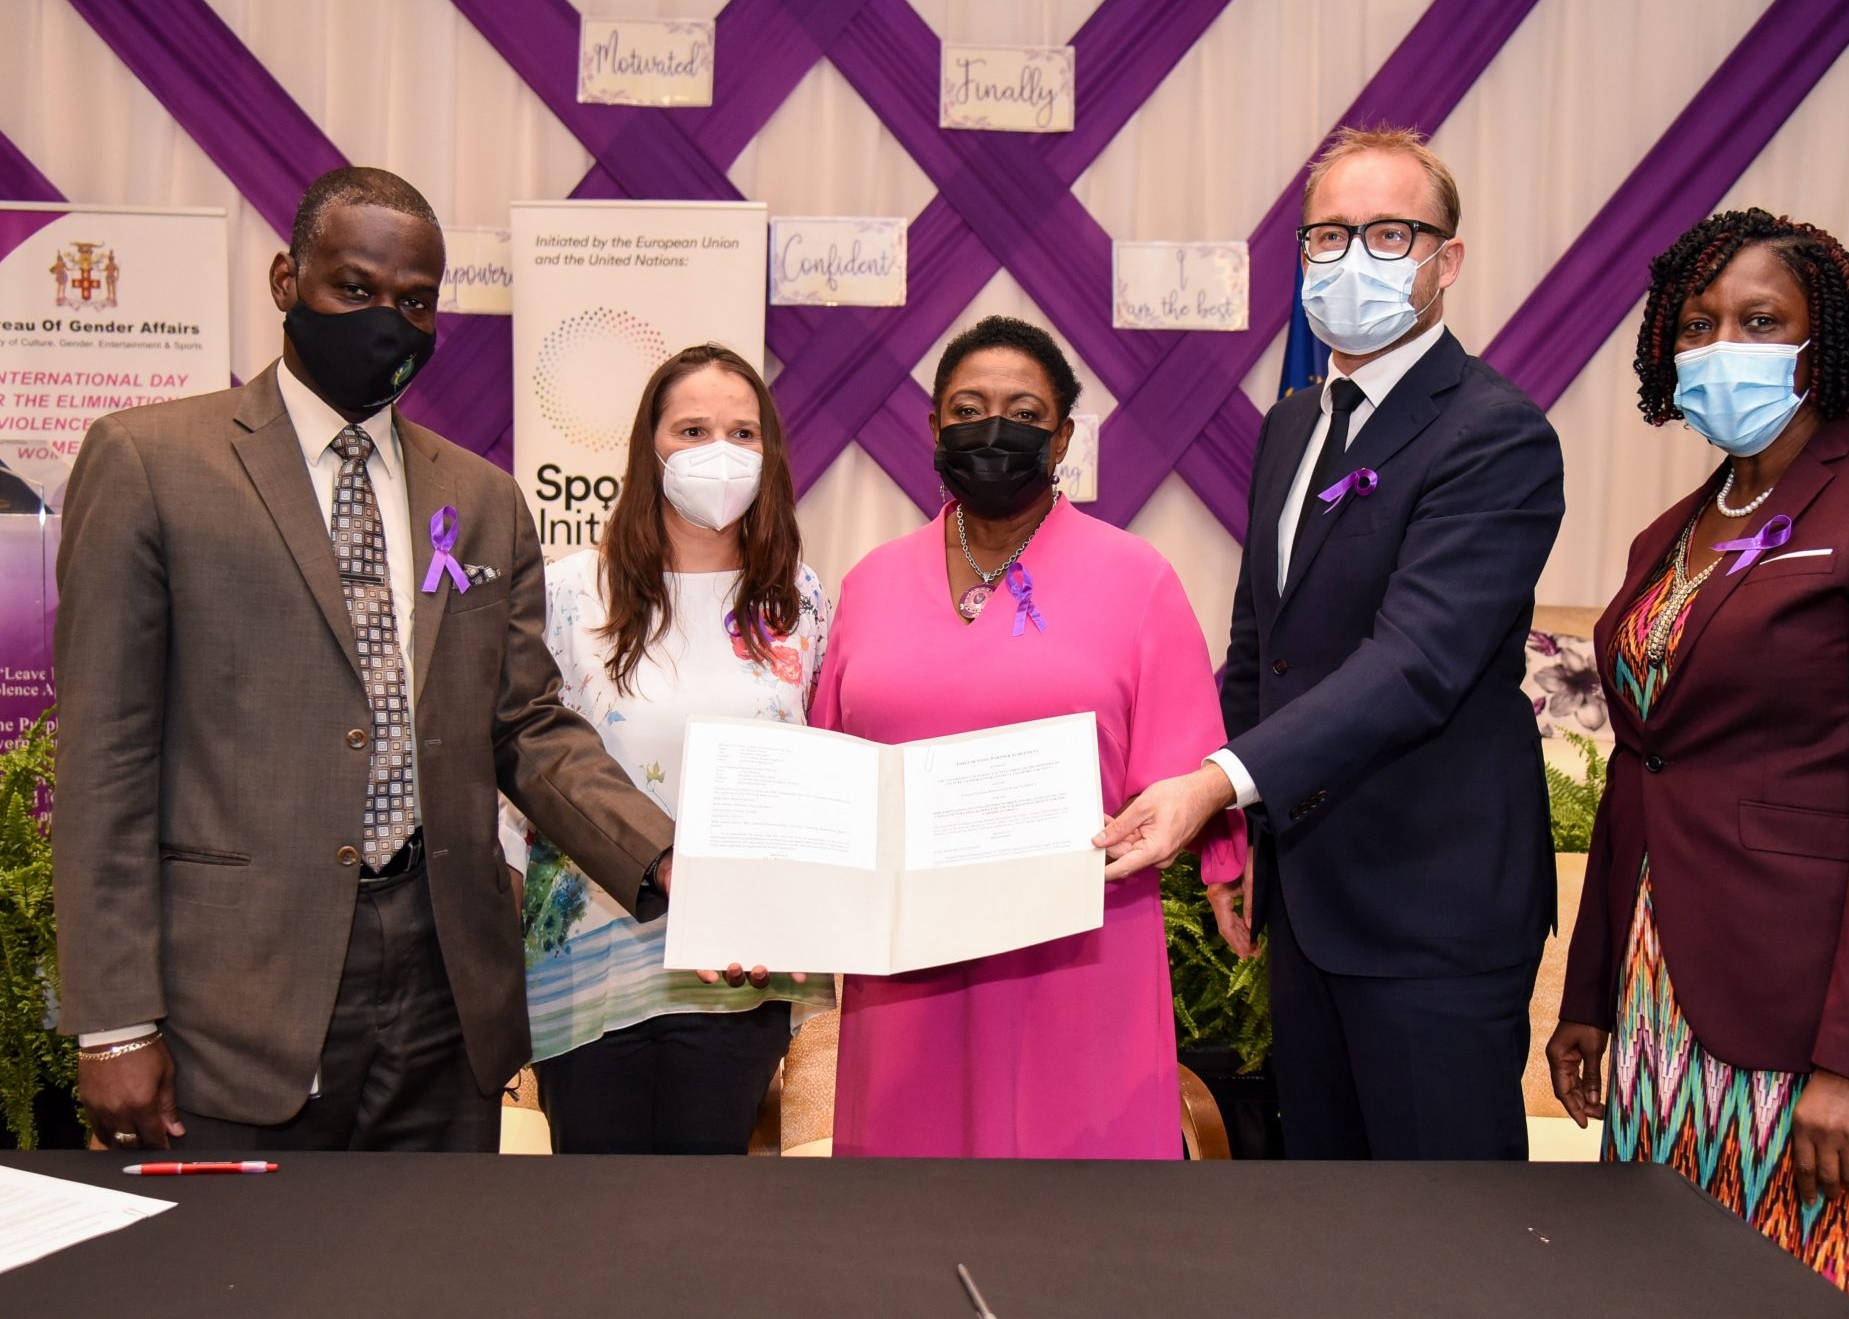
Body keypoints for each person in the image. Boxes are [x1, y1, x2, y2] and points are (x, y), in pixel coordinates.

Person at [53, 167, 677, 1153]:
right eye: (356, 288)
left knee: (430, 1283)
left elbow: (523, 724)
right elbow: (105, 755)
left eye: (416, 301)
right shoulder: (148, 462)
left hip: (444, 990)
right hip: (237, 997)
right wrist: (114, 1020)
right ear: (284, 278)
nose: (388, 319)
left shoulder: (478, 498)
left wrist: (663, 852)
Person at [1544, 209, 1849, 1317]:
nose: (1723, 346)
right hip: (1669, 1013)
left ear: (1825, 341)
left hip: (1826, 1023)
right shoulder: (1672, 529)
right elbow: (1639, 771)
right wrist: (1592, 999)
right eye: (1698, 324)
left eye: (1759, 321)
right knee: (1672, 1289)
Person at [1097, 127, 1565, 1161]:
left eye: (1387, 234)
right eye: (1327, 237)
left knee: (1443, 1240)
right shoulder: (1292, 423)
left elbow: (1414, 664)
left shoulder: (1494, 435)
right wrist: (1237, 834)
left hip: (1431, 911)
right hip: (1308, 900)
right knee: (1328, 1222)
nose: (1351, 260)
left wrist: (1218, 785)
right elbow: (1263, 644)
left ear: (1445, 261)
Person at [810, 314, 1244, 1158]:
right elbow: (829, 772)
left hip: (1078, 961)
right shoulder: (869, 582)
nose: (993, 429)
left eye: (1023, 412)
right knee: (905, 1232)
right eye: (968, 410)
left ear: (1064, 436)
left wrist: (1227, 863)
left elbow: (1190, 773)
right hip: (907, 975)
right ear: (934, 430)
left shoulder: (1137, 579)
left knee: (1078, 1234)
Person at [500, 345, 835, 1154]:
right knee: (594, 1218)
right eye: (692, 429)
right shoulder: (570, 590)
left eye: (743, 431)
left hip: (739, 974)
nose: (720, 450)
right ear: (650, 451)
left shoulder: (798, 600)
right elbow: (526, 765)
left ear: (771, 454)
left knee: (705, 1214)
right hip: (585, 963)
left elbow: (818, 773)